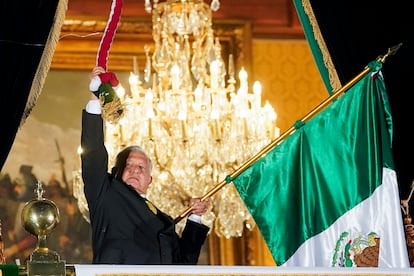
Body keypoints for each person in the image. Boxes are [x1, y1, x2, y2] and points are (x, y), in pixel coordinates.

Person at [81, 66, 210, 265]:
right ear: (118, 172)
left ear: (149, 180)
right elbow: (93, 155)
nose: (134, 169)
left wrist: (195, 217)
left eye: (141, 167)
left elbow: (184, 263)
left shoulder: (163, 221)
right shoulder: (106, 193)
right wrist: (95, 99)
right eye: (129, 165)